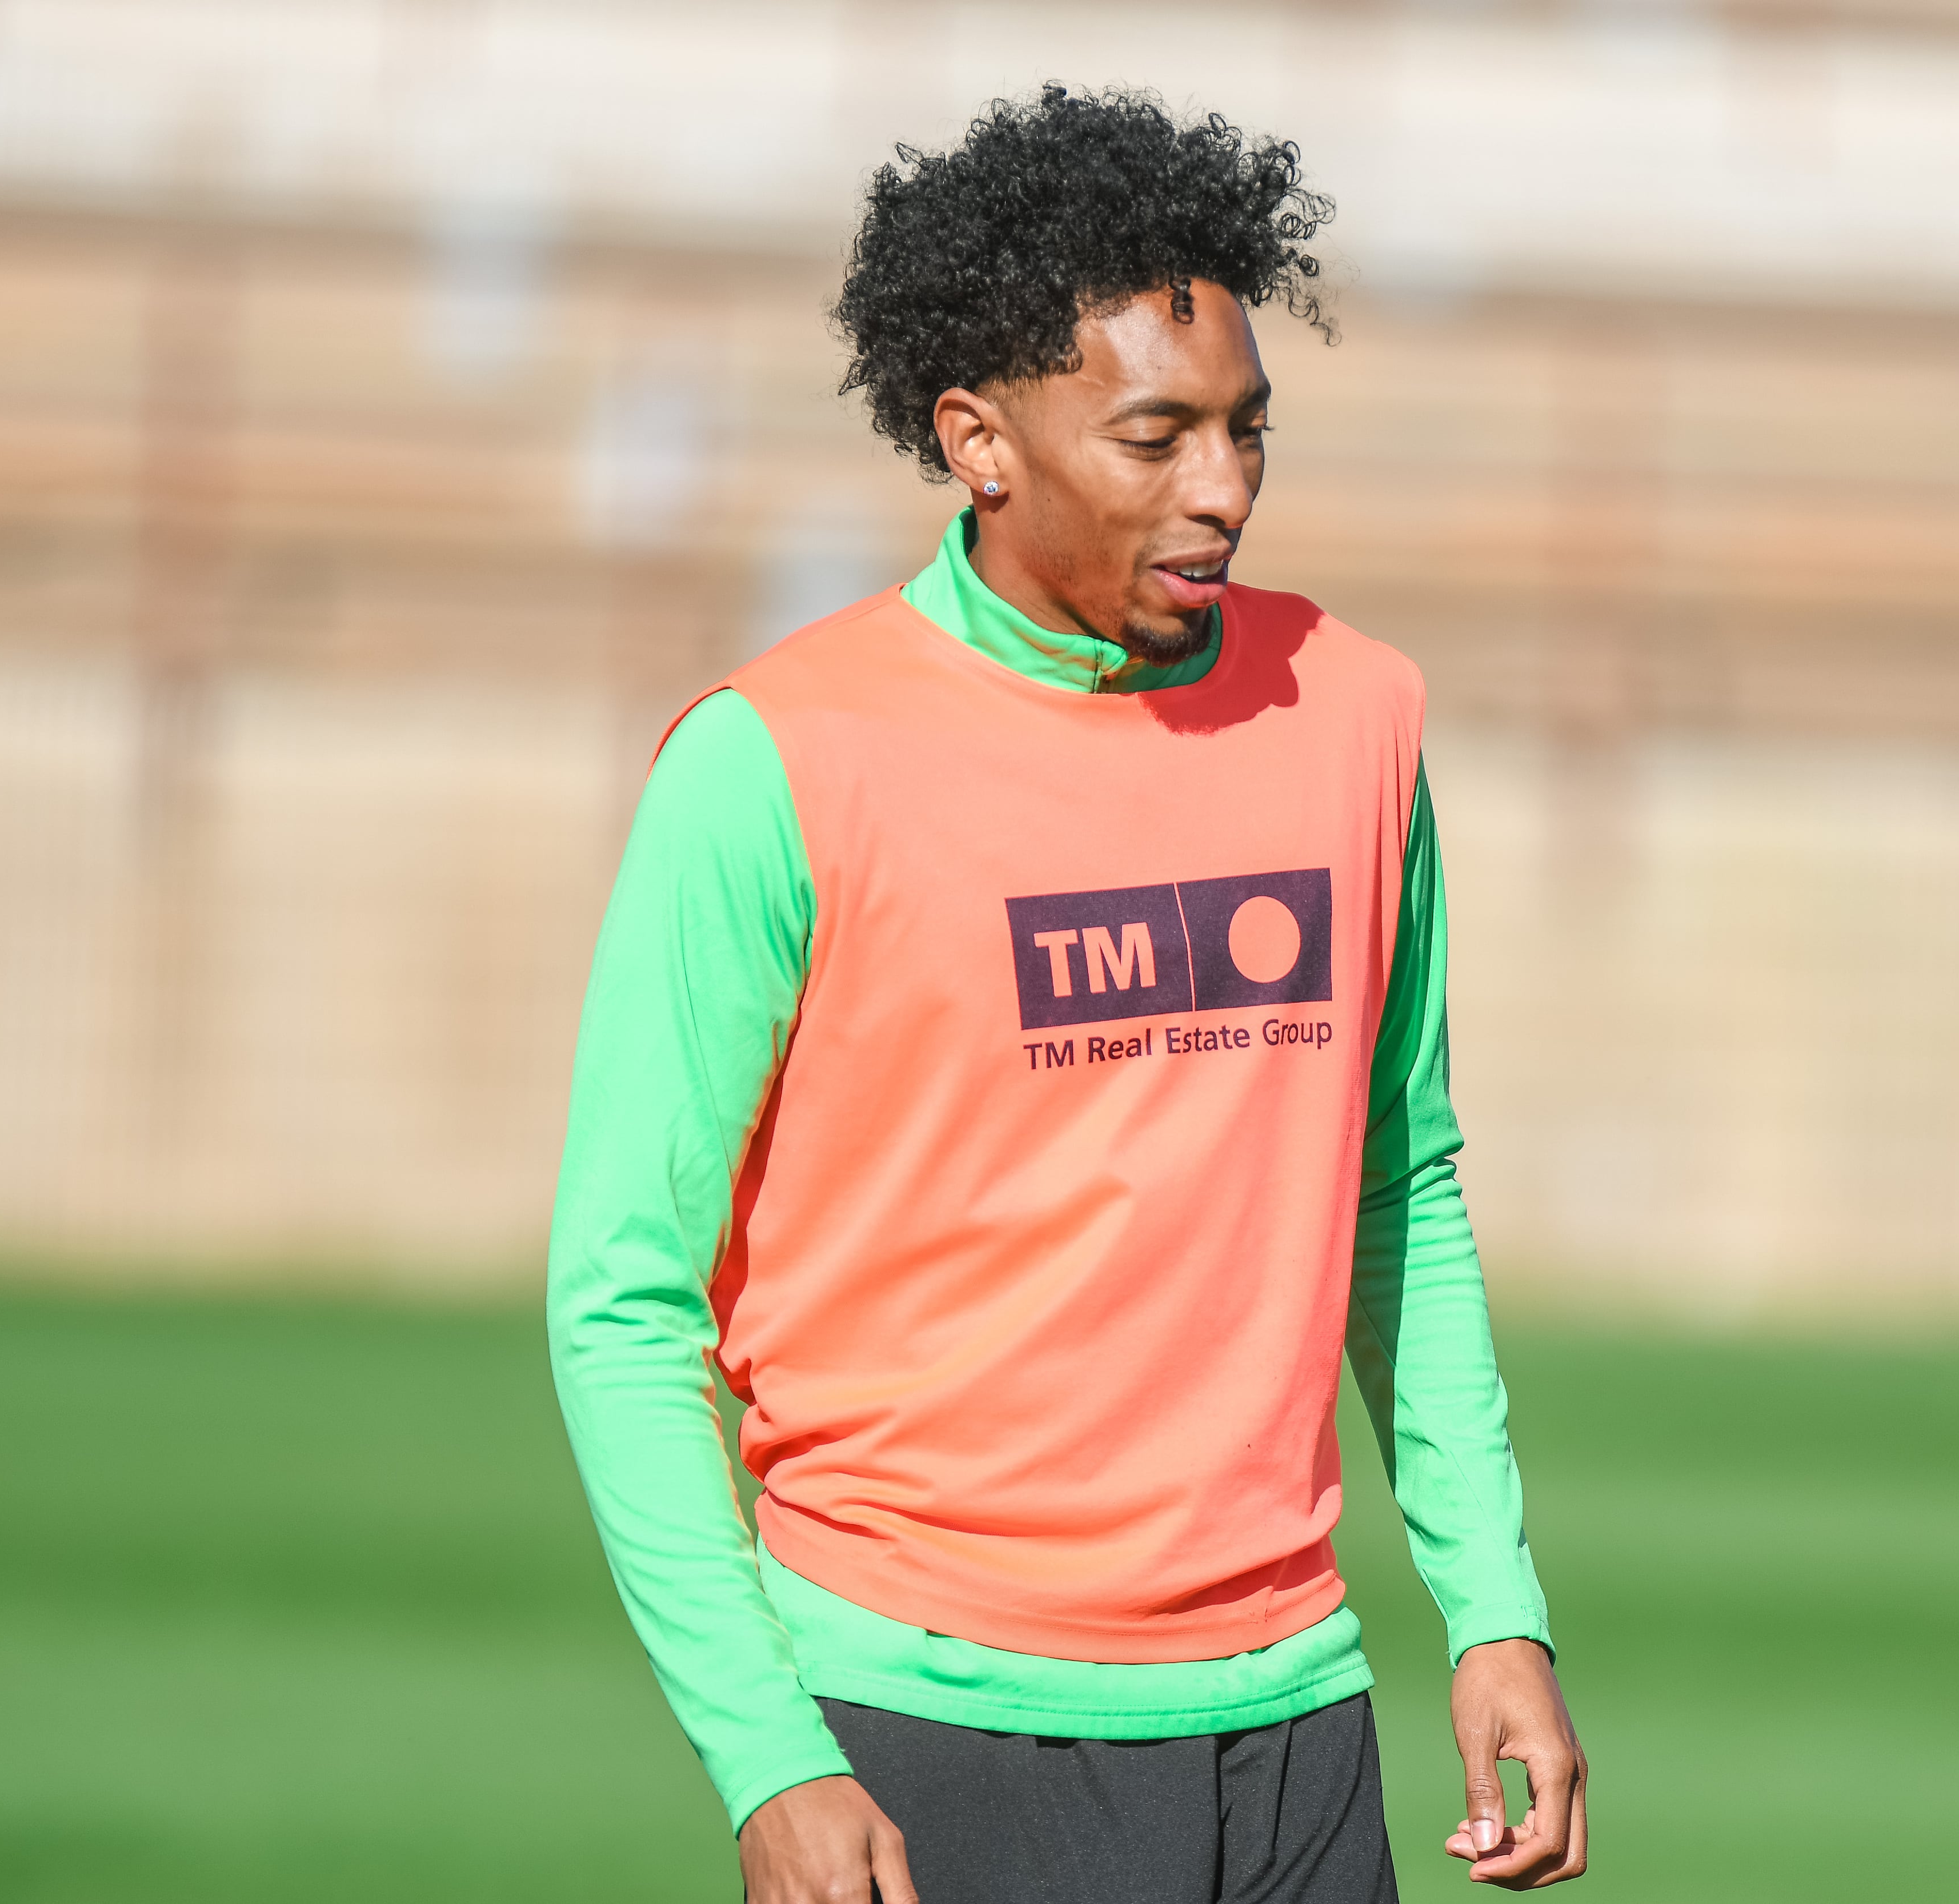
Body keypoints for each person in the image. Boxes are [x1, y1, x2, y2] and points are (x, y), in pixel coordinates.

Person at [547, 87, 1587, 1904]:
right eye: (1156, 434)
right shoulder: (772, 764)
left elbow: (1396, 1184)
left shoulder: (1359, 716)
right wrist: (765, 1749)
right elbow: (623, 1301)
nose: (1224, 488)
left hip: (1296, 1727)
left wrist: (1494, 1608)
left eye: (1249, 430)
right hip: (923, 1720)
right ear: (980, 441)